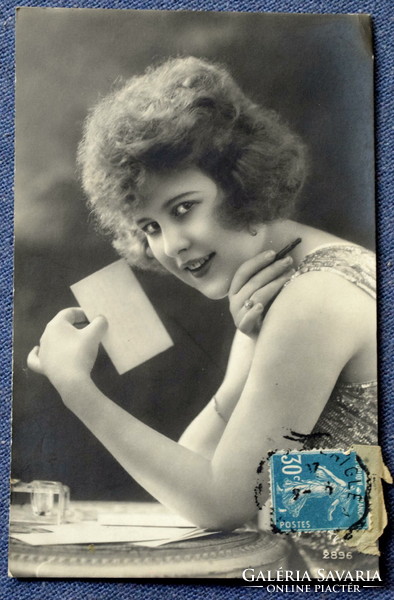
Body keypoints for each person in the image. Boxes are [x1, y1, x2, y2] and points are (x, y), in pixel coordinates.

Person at [27, 57, 376, 572]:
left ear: (240, 183)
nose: (172, 245)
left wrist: (77, 388)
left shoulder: (313, 301)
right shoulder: (306, 280)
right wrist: (249, 353)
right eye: (149, 226)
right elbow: (196, 473)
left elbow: (219, 502)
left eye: (184, 207)